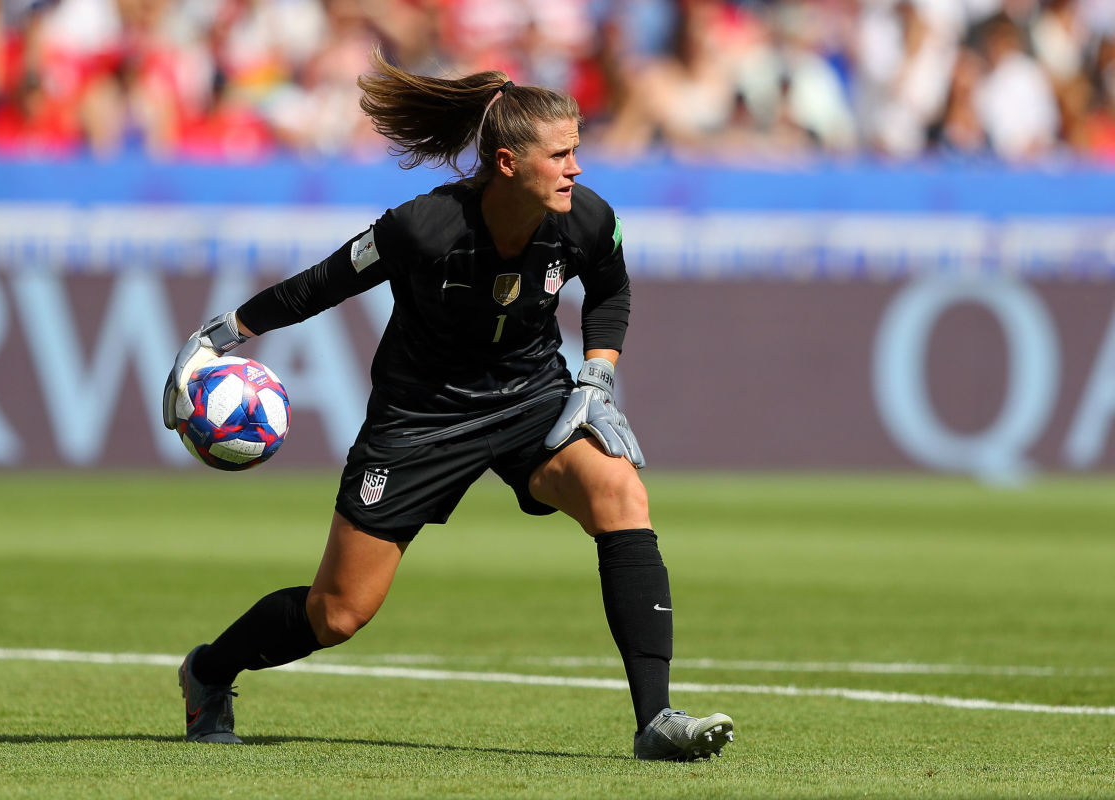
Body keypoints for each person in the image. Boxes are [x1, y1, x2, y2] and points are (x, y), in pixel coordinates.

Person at [161, 48, 734, 762]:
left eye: (576, 151)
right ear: (505, 165)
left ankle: (656, 722)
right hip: (419, 422)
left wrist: (596, 376)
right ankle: (209, 672)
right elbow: (319, 285)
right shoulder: (423, 228)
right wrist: (218, 336)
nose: (576, 168)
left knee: (621, 492)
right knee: (338, 614)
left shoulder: (586, 218)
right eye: (559, 155)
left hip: (531, 398)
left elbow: (611, 290)